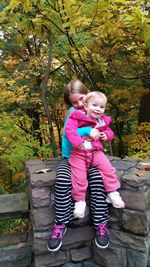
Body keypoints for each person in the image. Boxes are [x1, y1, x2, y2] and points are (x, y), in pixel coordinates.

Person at [47, 79, 110, 252]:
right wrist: (86, 131)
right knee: (63, 180)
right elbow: (69, 135)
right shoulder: (73, 113)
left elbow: (105, 129)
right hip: (71, 157)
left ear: (88, 95)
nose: (79, 103)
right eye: (74, 102)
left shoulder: (95, 109)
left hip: (92, 156)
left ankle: (101, 224)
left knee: (98, 179)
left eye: (81, 99)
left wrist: (104, 136)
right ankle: (61, 223)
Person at [65, 91, 125, 218]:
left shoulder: (102, 121)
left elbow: (109, 131)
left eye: (101, 107)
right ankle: (79, 201)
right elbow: (69, 131)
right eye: (95, 105)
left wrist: (107, 135)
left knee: (108, 169)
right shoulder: (77, 117)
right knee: (79, 176)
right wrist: (78, 141)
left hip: (95, 152)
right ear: (86, 106)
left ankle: (112, 193)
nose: (98, 109)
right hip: (78, 153)